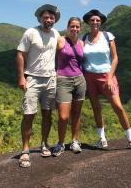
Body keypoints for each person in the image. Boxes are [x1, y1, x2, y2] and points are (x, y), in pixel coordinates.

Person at [82, 9, 131, 149]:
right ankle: (102, 139)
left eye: (97, 20)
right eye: (92, 20)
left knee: (118, 107)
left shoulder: (108, 36)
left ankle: (130, 138)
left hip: (106, 76)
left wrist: (109, 78)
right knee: (96, 108)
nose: (95, 22)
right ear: (88, 22)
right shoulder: (84, 38)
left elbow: (115, 58)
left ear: (101, 22)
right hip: (89, 76)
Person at [16, 4, 61, 168]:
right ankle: (26, 150)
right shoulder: (31, 32)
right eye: (46, 17)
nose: (49, 20)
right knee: (29, 114)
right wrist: (22, 77)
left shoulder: (56, 33)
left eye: (51, 17)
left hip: (50, 79)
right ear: (40, 18)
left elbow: (67, 46)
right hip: (33, 79)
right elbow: (20, 54)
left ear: (55, 20)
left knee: (47, 113)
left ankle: (44, 144)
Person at [52, 17, 86, 157]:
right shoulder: (60, 40)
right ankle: (60, 143)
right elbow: (48, 55)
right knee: (64, 116)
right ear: (67, 27)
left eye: (77, 27)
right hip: (63, 81)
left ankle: (74, 141)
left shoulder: (82, 43)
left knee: (77, 114)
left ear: (80, 28)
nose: (75, 29)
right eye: (72, 26)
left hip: (79, 80)